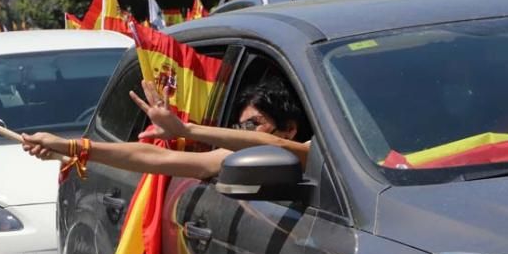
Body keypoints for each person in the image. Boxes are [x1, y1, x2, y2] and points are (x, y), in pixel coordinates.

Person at [21, 76, 311, 180]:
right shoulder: (234, 155)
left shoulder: (330, 154)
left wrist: (186, 130)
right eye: (239, 126)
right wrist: (71, 146)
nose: (242, 135)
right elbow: (157, 158)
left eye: (253, 125)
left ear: (289, 129)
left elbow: (288, 151)